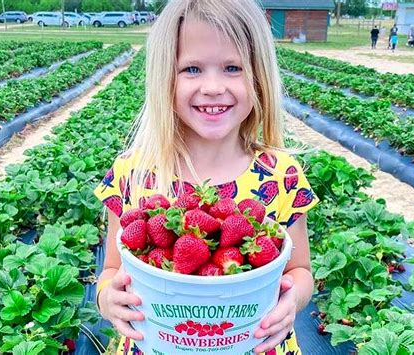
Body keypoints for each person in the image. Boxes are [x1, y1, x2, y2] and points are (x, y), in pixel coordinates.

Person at [93, 0, 319, 354]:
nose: (213, 86)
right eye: (192, 69)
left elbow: (301, 269)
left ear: (259, 77)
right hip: (155, 343)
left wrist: (293, 300)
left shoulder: (282, 174)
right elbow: (110, 269)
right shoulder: (132, 173)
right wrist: (106, 297)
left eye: (232, 67)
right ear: (165, 77)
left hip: (255, 342)